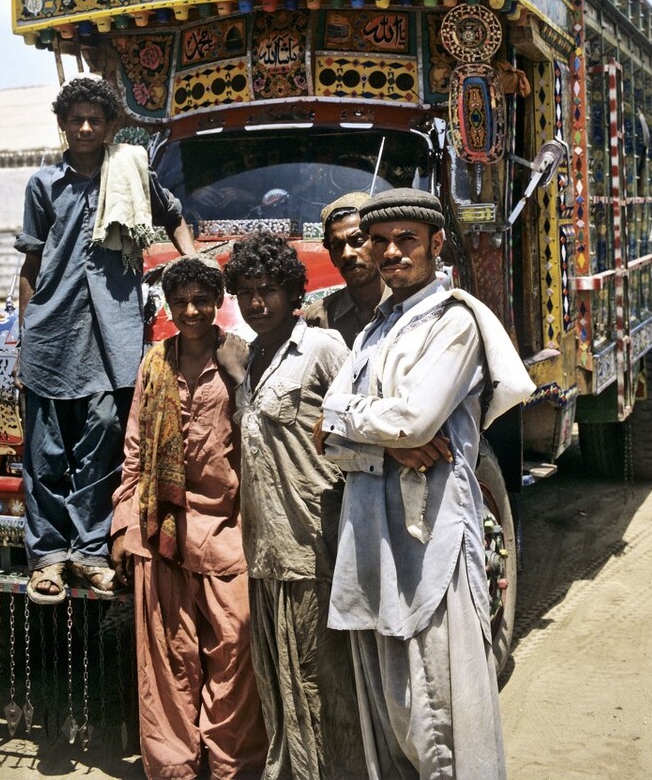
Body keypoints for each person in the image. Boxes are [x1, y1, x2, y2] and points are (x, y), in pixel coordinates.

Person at [317, 189, 533, 780]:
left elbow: (413, 418)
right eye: (379, 241)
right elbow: (326, 433)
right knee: (392, 715)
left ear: (437, 245)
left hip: (429, 538)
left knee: (440, 715)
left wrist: (366, 427)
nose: (390, 252)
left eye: (405, 239)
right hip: (372, 538)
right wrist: (386, 440)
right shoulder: (374, 330)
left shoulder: (455, 322)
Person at [15, 75, 196, 604]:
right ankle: (47, 557)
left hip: (114, 329)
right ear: (63, 126)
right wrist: (23, 334)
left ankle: (90, 552)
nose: (87, 127)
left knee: (104, 437)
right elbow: (30, 264)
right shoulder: (42, 185)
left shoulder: (132, 171)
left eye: (96, 118)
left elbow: (174, 215)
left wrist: (193, 265)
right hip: (52, 330)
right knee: (46, 449)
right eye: (77, 120)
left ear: (112, 124)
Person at [110, 256, 267, 780]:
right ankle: (175, 766)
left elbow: (261, 445)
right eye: (181, 302)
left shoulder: (239, 356)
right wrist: (126, 524)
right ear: (169, 307)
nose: (192, 310)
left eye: (202, 299)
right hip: (164, 533)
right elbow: (135, 450)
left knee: (235, 650)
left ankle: (232, 766)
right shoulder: (155, 363)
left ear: (219, 301)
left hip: (229, 531)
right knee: (169, 659)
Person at [223, 230, 365, 780]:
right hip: (266, 552)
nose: (258, 303)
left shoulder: (324, 349)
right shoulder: (252, 357)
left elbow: (360, 424)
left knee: (324, 684)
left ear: (292, 293)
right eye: (248, 292)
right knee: (279, 683)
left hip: (316, 548)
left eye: (270, 291)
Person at [303, 192, 389, 349]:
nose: (347, 254)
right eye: (337, 246)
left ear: (379, 243)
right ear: (330, 255)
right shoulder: (319, 318)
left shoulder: (406, 304)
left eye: (358, 241)